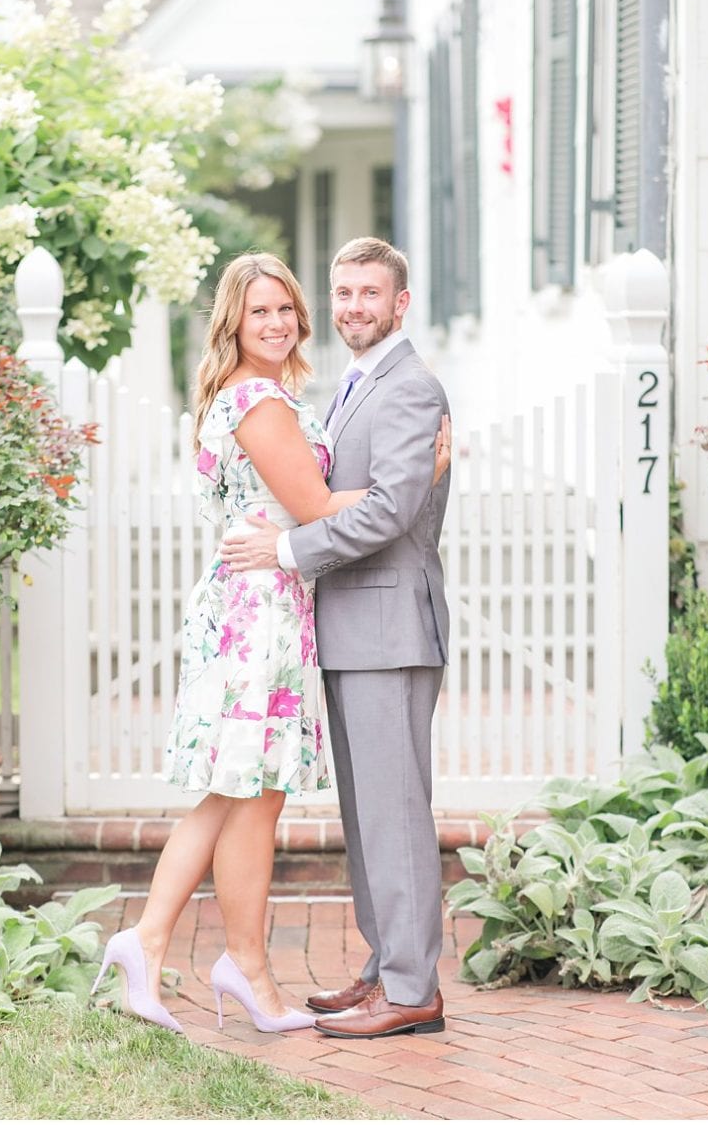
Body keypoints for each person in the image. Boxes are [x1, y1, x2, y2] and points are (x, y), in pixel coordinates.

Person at [90, 252, 450, 1035]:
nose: (279, 322)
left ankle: (233, 961)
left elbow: (314, 504)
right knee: (241, 790)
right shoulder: (256, 398)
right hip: (260, 611)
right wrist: (413, 478)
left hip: (273, 606)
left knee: (249, 793)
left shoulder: (276, 392)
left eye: (286, 307)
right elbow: (316, 503)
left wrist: (398, 487)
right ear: (234, 322)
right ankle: (166, 943)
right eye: (260, 312)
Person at [219, 236, 454, 1039]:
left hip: (390, 625)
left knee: (396, 812)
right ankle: (385, 966)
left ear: (400, 302)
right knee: (369, 813)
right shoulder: (356, 382)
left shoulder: (412, 387)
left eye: (369, 293)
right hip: (352, 625)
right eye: (344, 291)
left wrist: (284, 549)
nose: (354, 305)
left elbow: (389, 511)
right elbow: (330, 489)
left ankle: (412, 987)